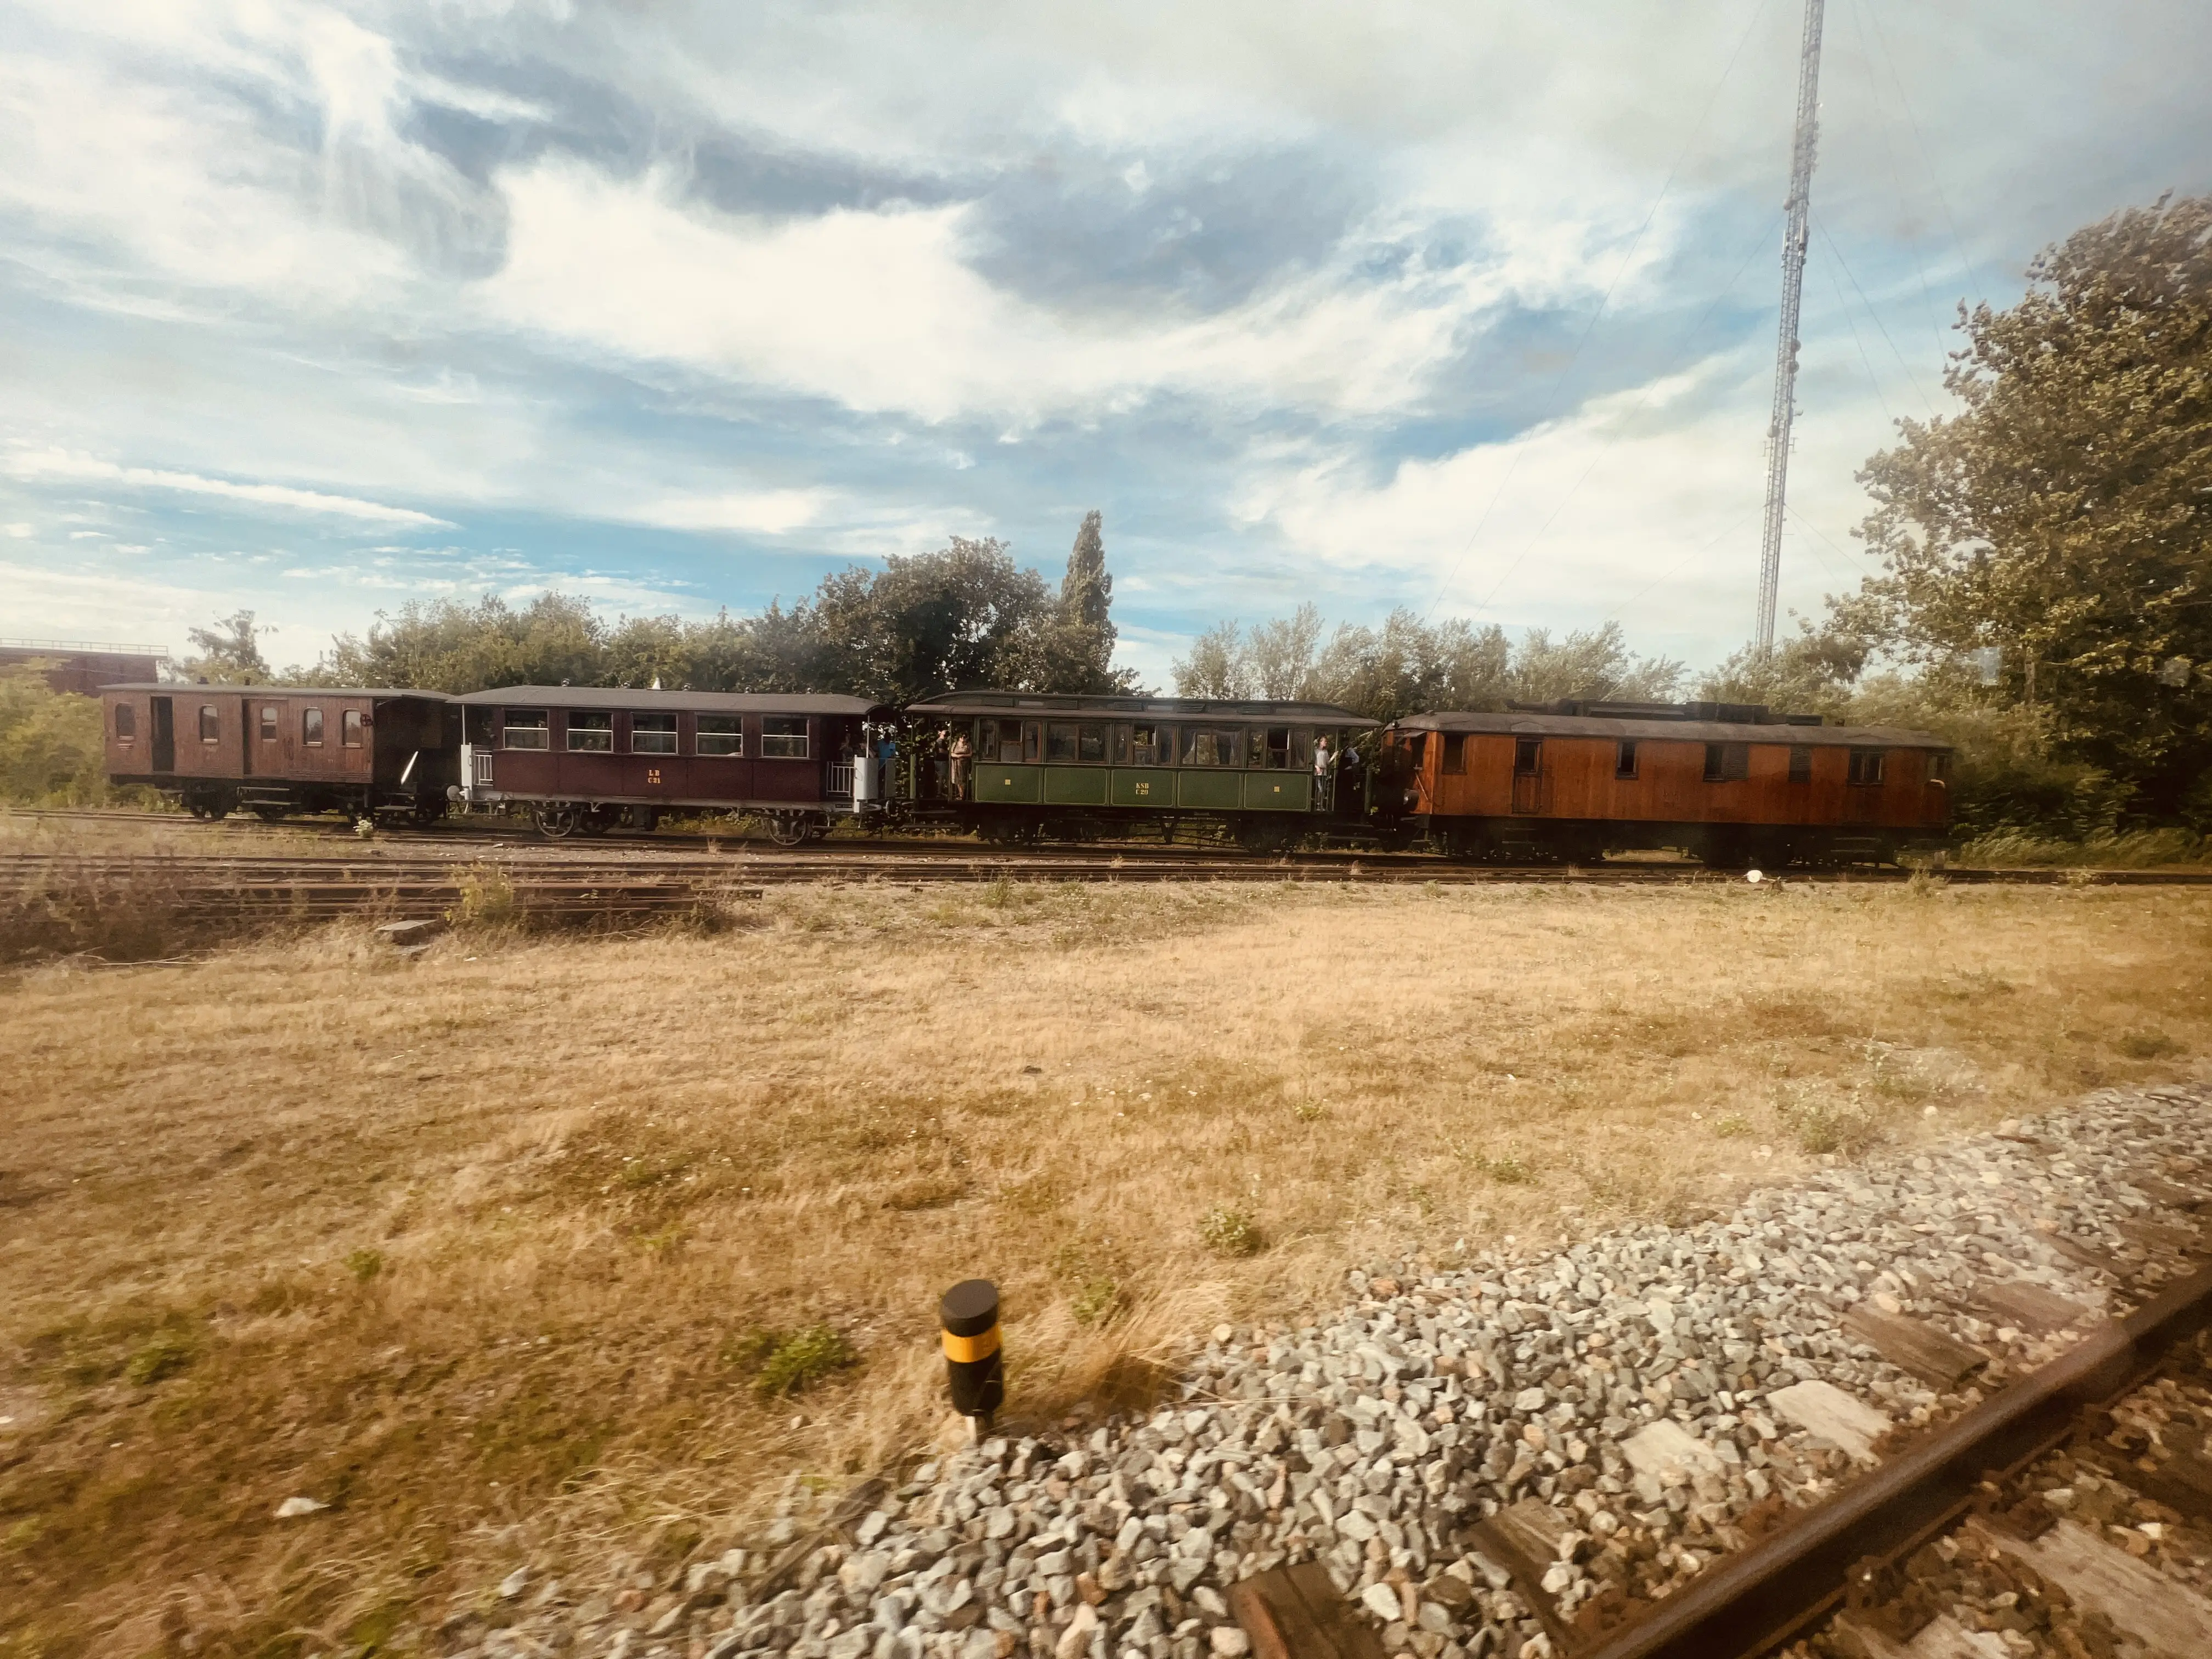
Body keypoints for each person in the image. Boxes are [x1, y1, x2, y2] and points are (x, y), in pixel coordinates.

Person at [1313, 733, 1335, 811]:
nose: (1326, 743)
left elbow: (1328, 762)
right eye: (1325, 741)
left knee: (1323, 789)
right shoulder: (1315, 751)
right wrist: (1316, 767)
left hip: (1324, 771)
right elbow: (1312, 762)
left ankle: (1321, 805)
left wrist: (1334, 757)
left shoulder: (1326, 752)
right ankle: (1318, 804)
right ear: (1321, 742)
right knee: (1320, 789)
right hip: (1318, 771)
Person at [949, 728, 972, 800]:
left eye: (964, 737)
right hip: (956, 763)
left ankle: (963, 795)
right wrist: (957, 756)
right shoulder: (955, 744)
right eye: (961, 737)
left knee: (963, 779)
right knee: (958, 779)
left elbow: (970, 754)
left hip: (965, 764)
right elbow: (951, 754)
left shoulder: (968, 745)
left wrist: (962, 756)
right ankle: (961, 794)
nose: (963, 738)